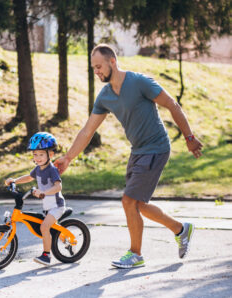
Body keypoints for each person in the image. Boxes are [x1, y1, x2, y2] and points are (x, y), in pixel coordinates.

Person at [54, 44, 203, 269]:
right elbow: (88, 131)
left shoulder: (139, 82)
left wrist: (189, 137)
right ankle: (180, 229)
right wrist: (68, 158)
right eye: (94, 68)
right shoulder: (105, 96)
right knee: (138, 205)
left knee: (128, 201)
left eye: (99, 67)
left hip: (156, 147)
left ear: (112, 61)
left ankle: (136, 254)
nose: (97, 72)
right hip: (138, 150)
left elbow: (172, 104)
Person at [5, 132, 66, 266]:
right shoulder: (38, 169)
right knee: (44, 226)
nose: (37, 158)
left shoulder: (52, 170)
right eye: (35, 154)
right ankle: (53, 241)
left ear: (50, 155)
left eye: (41, 154)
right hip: (47, 206)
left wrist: (44, 192)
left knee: (44, 227)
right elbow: (29, 177)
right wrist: (14, 180)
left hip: (57, 205)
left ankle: (46, 255)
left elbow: (58, 187)